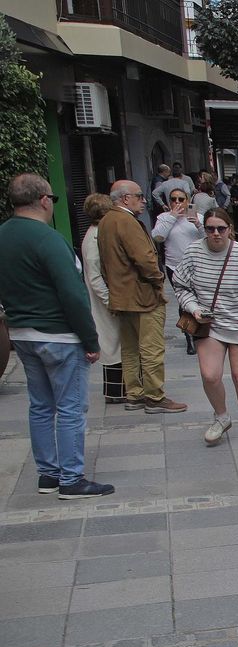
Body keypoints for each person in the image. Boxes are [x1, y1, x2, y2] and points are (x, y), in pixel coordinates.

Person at [0, 174, 114, 498]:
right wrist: (91, 341)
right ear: (45, 200)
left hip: (22, 332)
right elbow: (73, 294)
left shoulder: (3, 235)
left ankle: (48, 474)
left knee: (39, 405)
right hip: (59, 335)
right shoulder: (47, 239)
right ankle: (71, 478)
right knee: (69, 407)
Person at [172, 207, 238, 448]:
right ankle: (221, 417)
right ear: (204, 229)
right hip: (209, 324)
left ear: (230, 230)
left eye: (221, 228)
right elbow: (180, 285)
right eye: (210, 229)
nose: (216, 233)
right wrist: (193, 306)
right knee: (210, 375)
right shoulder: (193, 252)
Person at [100, 179, 186, 414]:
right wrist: (158, 279)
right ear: (125, 198)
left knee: (130, 348)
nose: (143, 200)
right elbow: (144, 258)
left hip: (122, 296)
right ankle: (154, 396)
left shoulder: (107, 220)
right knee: (150, 348)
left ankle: (135, 394)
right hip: (142, 296)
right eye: (139, 195)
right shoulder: (126, 221)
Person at [79, 193, 125, 405]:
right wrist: (109, 300)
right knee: (111, 344)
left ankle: (119, 389)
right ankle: (115, 391)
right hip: (105, 300)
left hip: (107, 298)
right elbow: (95, 275)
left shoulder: (98, 233)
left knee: (115, 343)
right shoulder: (95, 237)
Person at [152, 187, 202, 281]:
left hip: (196, 265)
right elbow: (158, 238)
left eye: (181, 199)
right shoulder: (163, 217)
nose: (177, 202)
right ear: (169, 202)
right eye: (173, 199)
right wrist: (172, 217)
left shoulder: (198, 217)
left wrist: (198, 224)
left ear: (187, 201)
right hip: (174, 267)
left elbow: (207, 238)